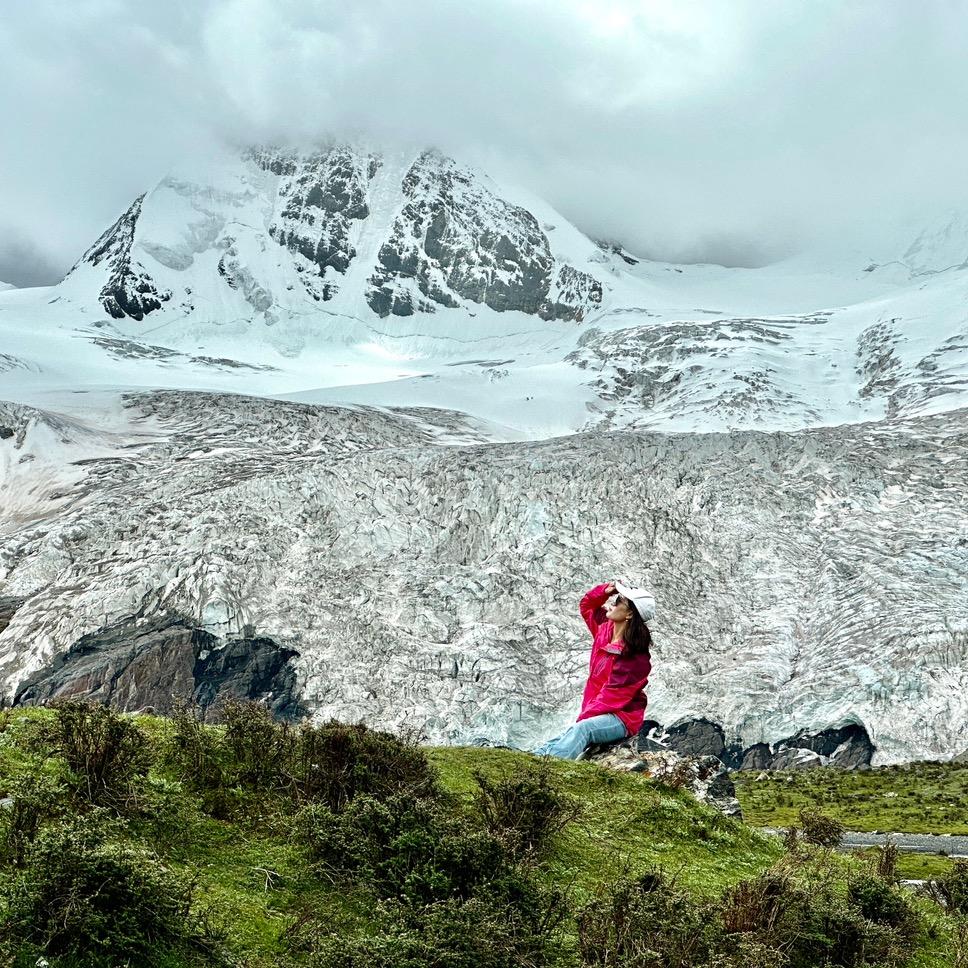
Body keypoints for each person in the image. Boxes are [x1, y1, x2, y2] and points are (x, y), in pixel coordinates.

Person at [531, 578, 655, 760]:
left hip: (622, 717)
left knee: (582, 729)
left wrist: (584, 717)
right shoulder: (604, 630)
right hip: (596, 710)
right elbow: (587, 606)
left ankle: (549, 769)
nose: (614, 602)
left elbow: (612, 697)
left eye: (620, 600)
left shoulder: (634, 657)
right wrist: (606, 590)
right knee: (570, 734)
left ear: (629, 614)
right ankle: (533, 760)